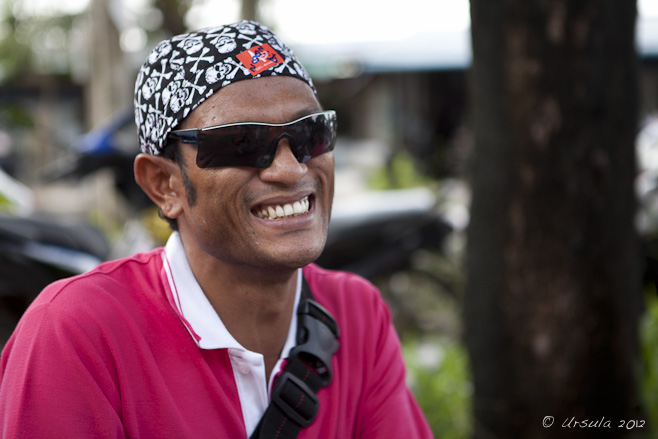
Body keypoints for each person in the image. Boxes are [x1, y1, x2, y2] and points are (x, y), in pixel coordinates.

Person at [0, 21, 433, 439]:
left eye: (309, 134)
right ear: (164, 184)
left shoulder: (355, 314)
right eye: (243, 142)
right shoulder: (79, 332)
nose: (291, 168)